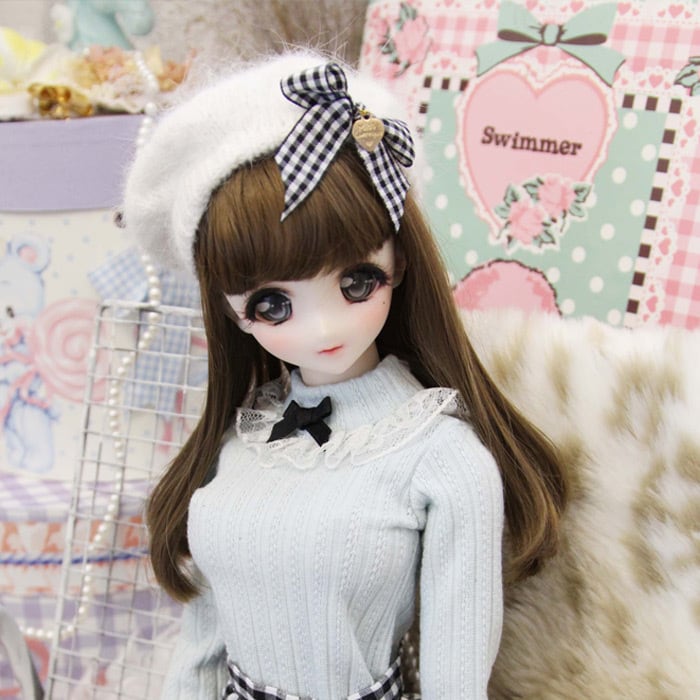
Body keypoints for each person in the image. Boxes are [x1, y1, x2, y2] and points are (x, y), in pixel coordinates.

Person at [122, 50, 567, 699]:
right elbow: (202, 647)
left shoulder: (441, 457)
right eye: (273, 305)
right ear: (230, 312)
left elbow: (455, 674)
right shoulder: (242, 440)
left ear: (400, 263)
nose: (323, 328)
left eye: (357, 281)